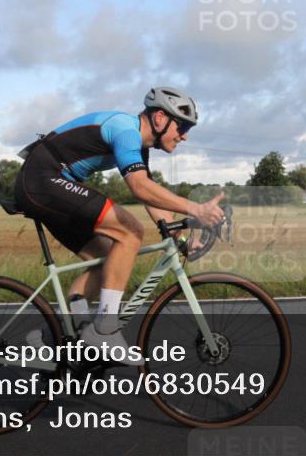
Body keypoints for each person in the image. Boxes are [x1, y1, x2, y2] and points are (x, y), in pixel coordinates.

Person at [13, 86, 225, 366]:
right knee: (130, 231)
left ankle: (49, 339)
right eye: (182, 125)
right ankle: (104, 330)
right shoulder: (126, 130)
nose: (184, 135)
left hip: (47, 184)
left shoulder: (138, 144)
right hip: (41, 181)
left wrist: (181, 239)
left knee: (106, 260)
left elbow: (152, 198)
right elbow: (139, 187)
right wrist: (195, 208)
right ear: (160, 118)